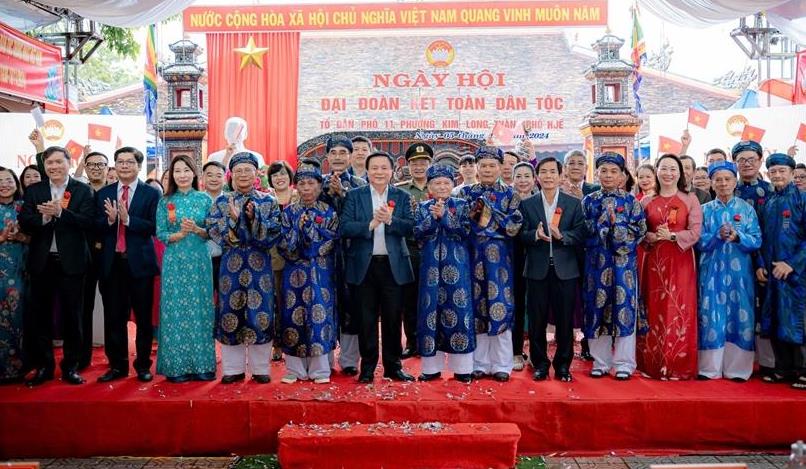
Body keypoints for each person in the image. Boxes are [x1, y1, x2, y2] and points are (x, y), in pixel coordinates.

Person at [19, 146, 95, 386]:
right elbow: (25, 221)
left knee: (73, 316)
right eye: (49, 163)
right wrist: (44, 217)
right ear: (45, 165)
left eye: (58, 162)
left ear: (69, 163)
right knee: (40, 316)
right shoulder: (35, 190)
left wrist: (61, 213)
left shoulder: (83, 190)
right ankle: (45, 366)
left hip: (72, 263)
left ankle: (70, 367)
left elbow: (88, 222)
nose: (54, 167)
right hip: (42, 263)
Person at [206, 151, 281, 384]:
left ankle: (260, 369)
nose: (243, 174)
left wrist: (252, 219)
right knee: (230, 312)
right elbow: (213, 229)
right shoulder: (221, 202)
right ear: (231, 174)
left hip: (260, 268)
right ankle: (232, 369)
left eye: (248, 170)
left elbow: (274, 232)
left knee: (261, 315)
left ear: (257, 173)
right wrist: (234, 220)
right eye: (238, 170)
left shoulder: (268, 201)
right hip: (231, 268)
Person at [340, 150, 415, 383]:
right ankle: (367, 368)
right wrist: (371, 224)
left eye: (384, 168)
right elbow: (344, 227)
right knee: (366, 319)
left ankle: (393, 366)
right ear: (367, 170)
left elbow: (411, 227)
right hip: (364, 266)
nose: (379, 172)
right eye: (374, 168)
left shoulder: (402, 196)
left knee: (393, 319)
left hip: (393, 266)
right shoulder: (355, 196)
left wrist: (390, 220)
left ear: (392, 171)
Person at [95, 147, 160, 383]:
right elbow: (94, 226)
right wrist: (110, 220)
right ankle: (117, 366)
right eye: (120, 161)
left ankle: (142, 365)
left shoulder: (151, 193)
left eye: (129, 162)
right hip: (112, 265)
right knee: (114, 318)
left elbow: (155, 226)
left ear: (139, 166)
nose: (124, 165)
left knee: (143, 318)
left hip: (140, 265)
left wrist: (128, 220)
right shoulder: (104, 193)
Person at [458, 146, 523, 382]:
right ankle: (479, 363)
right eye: (483, 165)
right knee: (477, 308)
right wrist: (493, 222)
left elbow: (514, 227)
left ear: (500, 167)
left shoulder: (511, 195)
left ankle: (502, 364)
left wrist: (489, 213)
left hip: (501, 262)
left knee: (500, 305)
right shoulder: (466, 193)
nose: (487, 169)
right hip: (472, 257)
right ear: (477, 167)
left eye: (492, 165)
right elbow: (462, 225)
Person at [520, 157, 586, 382]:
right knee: (536, 321)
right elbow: (520, 234)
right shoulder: (527, 204)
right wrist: (534, 235)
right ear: (537, 177)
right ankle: (540, 364)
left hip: (565, 270)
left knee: (565, 320)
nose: (548, 176)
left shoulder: (573, 203)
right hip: (536, 270)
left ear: (560, 175)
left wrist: (563, 236)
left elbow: (581, 233)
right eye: (544, 172)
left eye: (552, 172)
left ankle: (563, 366)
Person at [638, 154, 702, 380]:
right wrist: (650, 236)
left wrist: (673, 236)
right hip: (654, 261)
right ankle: (652, 364)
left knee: (679, 308)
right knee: (654, 307)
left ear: (680, 173)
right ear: (656, 171)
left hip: (681, 260)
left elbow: (696, 232)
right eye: (663, 168)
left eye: (673, 169)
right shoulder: (645, 201)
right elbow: (639, 232)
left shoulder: (690, 199)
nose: (668, 173)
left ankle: (678, 364)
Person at [582, 152, 646, 380]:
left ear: (622, 176)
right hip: (596, 265)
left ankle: (624, 363)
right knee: (597, 310)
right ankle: (600, 362)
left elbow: (640, 230)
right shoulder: (588, 201)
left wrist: (617, 229)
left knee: (624, 310)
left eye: (613, 171)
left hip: (623, 266)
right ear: (597, 173)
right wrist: (601, 225)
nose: (608, 175)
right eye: (604, 171)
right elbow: (582, 231)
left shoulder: (631, 202)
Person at [697, 161, 761, 381]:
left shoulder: (746, 209)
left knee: (740, 316)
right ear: (711, 183)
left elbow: (757, 240)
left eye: (727, 179)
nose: (723, 183)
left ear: (735, 182)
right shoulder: (704, 210)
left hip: (740, 274)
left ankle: (738, 370)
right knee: (710, 316)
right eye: (718, 180)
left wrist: (738, 237)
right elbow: (698, 241)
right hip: (711, 272)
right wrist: (717, 236)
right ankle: (709, 368)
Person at [155, 155, 216, 383]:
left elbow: (212, 231)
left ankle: (202, 366)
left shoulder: (204, 199)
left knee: (201, 309)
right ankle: (176, 367)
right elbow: (160, 232)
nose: (182, 175)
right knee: (175, 311)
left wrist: (197, 230)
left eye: (186, 170)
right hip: (175, 261)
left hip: (199, 260)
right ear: (172, 175)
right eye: (177, 171)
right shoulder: (165, 201)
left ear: (194, 173)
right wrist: (178, 234)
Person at [277, 159, 339, 384]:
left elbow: (331, 242)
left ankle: (321, 370)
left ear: (320, 186)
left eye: (311, 183)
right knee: (293, 315)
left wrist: (311, 236)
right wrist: (297, 229)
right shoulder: (288, 213)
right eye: (301, 184)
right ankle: (295, 370)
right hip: (294, 272)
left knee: (320, 315)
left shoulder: (329, 212)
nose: (306, 188)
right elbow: (283, 244)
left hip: (320, 272)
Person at [414, 165, 475, 383]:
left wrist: (446, 217)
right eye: (436, 183)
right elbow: (417, 233)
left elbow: (466, 232)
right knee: (430, 313)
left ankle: (463, 368)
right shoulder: (422, 207)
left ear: (452, 185)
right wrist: (433, 219)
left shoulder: (462, 205)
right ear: (429, 187)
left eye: (446, 183)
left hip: (457, 266)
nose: (441, 186)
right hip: (430, 268)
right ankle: (431, 368)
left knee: (459, 312)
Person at [756, 153, 806, 390]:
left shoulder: (802, 199)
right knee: (775, 318)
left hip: (797, 275)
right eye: (773, 171)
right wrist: (760, 265)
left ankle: (803, 370)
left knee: (798, 320)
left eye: (782, 171)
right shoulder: (768, 203)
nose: (777, 175)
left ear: (792, 173)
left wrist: (793, 264)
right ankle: (783, 367)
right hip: (772, 272)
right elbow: (760, 238)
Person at [320, 136, 366, 375]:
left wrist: (344, 193)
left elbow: (364, 215)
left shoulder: (360, 184)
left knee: (352, 305)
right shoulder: (317, 183)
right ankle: (324, 359)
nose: (338, 157)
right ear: (327, 156)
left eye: (342, 152)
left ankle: (349, 360)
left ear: (350, 156)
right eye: (333, 152)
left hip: (353, 254)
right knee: (325, 304)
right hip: (323, 255)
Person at [732, 140, 776, 378]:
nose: (747, 164)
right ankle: (739, 361)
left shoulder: (772, 192)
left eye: (751, 159)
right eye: (741, 160)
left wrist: (761, 263)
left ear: (760, 161)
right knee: (740, 308)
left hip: (767, 260)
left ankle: (769, 363)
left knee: (767, 308)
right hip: (735, 262)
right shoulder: (729, 190)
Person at [396, 142, 433, 359]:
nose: (419, 167)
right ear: (408, 166)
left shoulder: (439, 186)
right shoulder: (400, 190)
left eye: (423, 163)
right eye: (414, 163)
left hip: (434, 249)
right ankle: (412, 342)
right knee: (409, 299)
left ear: (430, 164)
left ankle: (434, 340)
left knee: (434, 296)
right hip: (409, 250)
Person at [75, 150, 109, 371]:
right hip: (82, 257)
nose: (96, 168)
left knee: (113, 308)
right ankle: (81, 356)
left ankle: (115, 358)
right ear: (85, 167)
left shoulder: (115, 192)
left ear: (107, 167)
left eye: (100, 164)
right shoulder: (78, 192)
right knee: (83, 308)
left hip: (110, 257)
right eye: (92, 164)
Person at [267, 160, 298, 361]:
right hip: (273, 259)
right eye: (275, 175)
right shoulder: (266, 199)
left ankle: (295, 343)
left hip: (298, 259)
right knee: (276, 303)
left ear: (290, 176)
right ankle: (277, 344)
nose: (279, 178)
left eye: (283, 174)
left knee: (295, 302)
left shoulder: (299, 196)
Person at [0, 168, 28, 383]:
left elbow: (38, 238)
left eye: (8, 180)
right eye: (0, 181)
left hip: (22, 270)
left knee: (20, 315)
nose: (4, 184)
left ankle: (20, 367)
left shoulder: (25, 206)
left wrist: (19, 236)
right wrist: (2, 237)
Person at [511, 161, 537, 370]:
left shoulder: (541, 200)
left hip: (539, 257)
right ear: (512, 179)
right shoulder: (507, 201)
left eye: (527, 176)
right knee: (518, 305)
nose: (523, 180)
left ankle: (537, 353)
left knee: (537, 306)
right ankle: (516, 351)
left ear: (534, 179)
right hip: (514, 258)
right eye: (518, 176)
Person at [203, 161, 227, 297]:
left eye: (218, 175)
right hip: (201, 259)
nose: (214, 179)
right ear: (203, 177)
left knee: (226, 299)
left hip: (226, 259)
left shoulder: (231, 201)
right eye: (209, 175)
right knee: (203, 299)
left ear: (225, 178)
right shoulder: (196, 202)